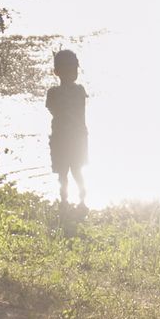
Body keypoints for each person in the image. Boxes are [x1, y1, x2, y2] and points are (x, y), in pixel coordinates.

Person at [46, 48, 89, 208]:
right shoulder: (79, 91)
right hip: (75, 138)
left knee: (64, 172)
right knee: (76, 171)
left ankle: (66, 200)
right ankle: (80, 200)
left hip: (62, 138)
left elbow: (52, 110)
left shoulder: (53, 93)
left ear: (56, 72)